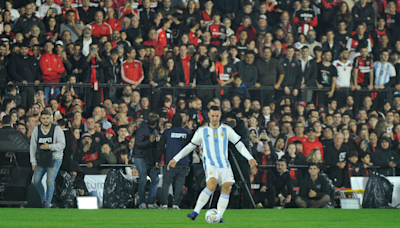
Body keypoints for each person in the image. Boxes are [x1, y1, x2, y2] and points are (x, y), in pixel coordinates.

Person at [168, 106, 257, 222]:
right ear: (209, 116)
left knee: (227, 187)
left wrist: (250, 157)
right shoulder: (202, 131)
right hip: (210, 164)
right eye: (213, 116)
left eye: (217, 116)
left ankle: (218, 215)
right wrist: (175, 158)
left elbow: (239, 144)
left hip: (224, 164)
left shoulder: (226, 130)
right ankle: (195, 212)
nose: (215, 118)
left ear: (220, 116)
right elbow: (191, 146)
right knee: (212, 185)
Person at [30, 110, 66, 208]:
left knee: (50, 180)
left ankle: (47, 203)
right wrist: (33, 161)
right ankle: (43, 198)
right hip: (41, 158)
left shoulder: (57, 129)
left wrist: (49, 147)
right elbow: (32, 146)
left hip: (55, 158)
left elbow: (62, 145)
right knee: (35, 181)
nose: (45, 120)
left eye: (47, 118)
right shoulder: (36, 130)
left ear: (51, 118)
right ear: (40, 119)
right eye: (43, 118)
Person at [157, 113, 193, 209]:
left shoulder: (167, 132)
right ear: (182, 121)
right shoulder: (187, 132)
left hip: (170, 162)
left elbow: (160, 147)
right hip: (184, 162)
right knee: (179, 183)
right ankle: (176, 204)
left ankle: (164, 204)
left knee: (166, 183)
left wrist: (157, 159)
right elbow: (193, 146)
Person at [133, 114, 161, 209]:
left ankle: (151, 202)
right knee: (143, 179)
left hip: (150, 159)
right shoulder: (142, 130)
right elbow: (137, 144)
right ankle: (142, 202)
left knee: (155, 179)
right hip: (140, 157)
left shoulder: (155, 131)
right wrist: (149, 141)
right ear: (156, 123)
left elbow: (155, 147)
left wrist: (156, 160)